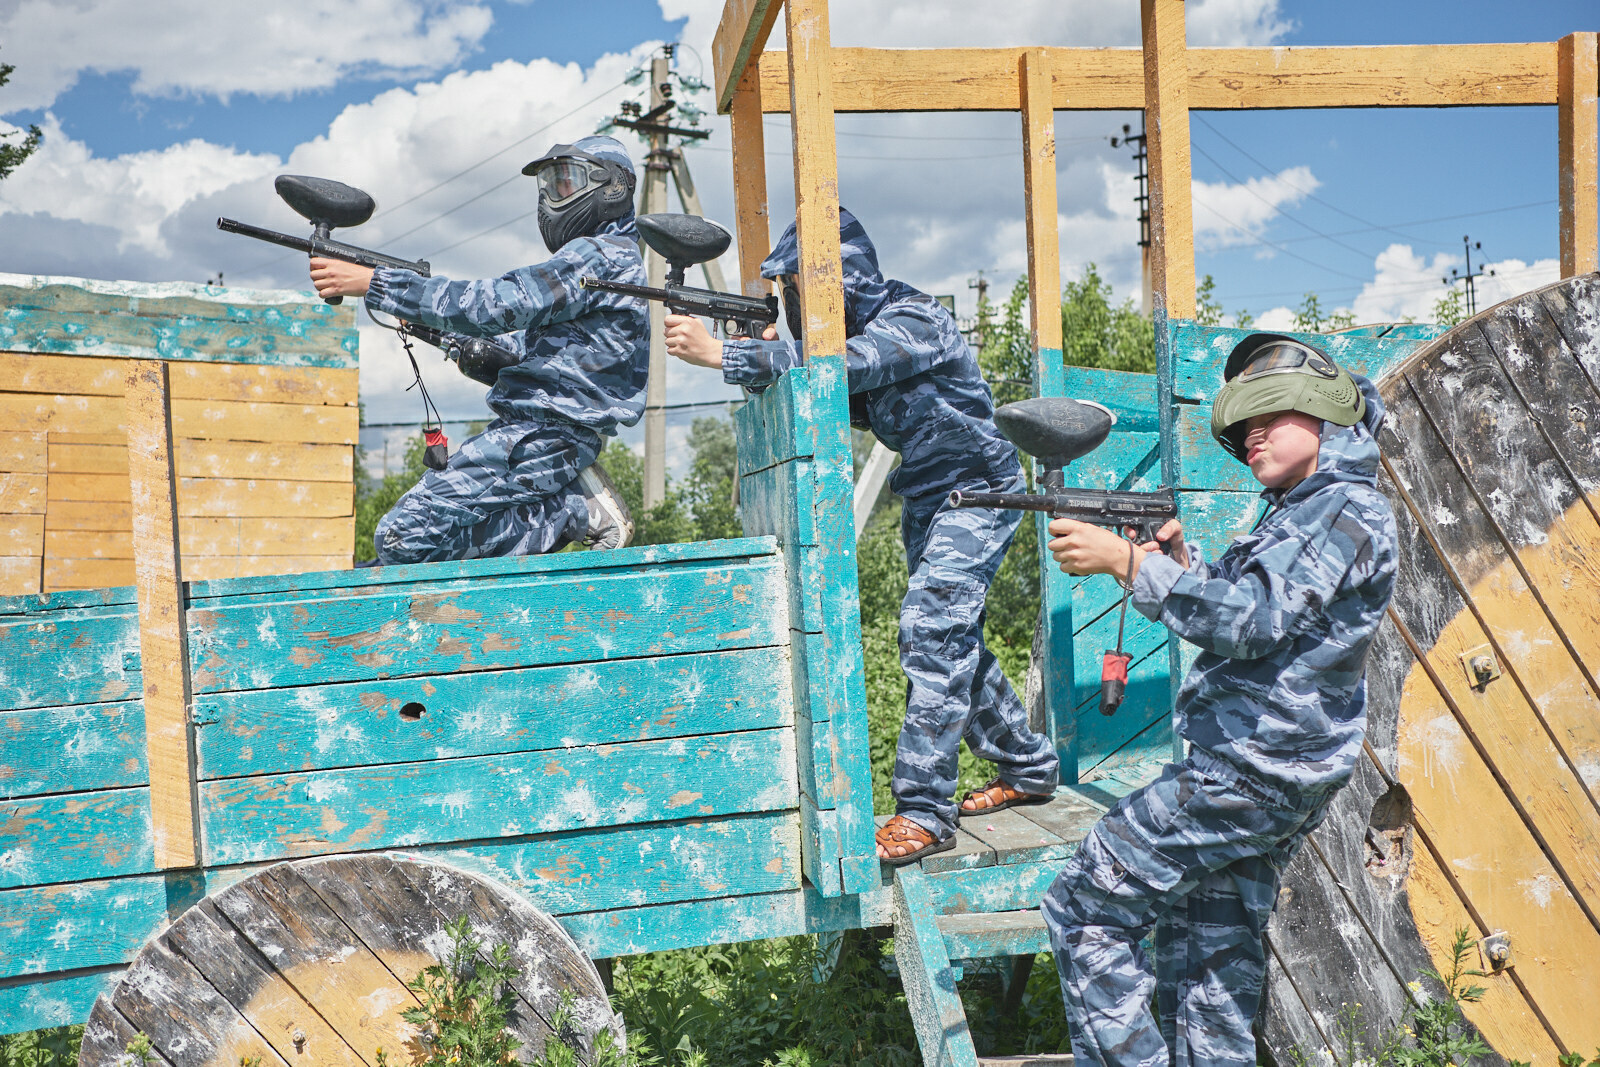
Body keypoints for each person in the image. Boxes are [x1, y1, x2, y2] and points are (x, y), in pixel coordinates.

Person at [1039, 334, 1399, 1067]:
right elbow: (1247, 598)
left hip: (1246, 771)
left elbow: (1247, 621)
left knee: (1082, 908)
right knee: (1211, 958)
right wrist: (1174, 563)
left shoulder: (1340, 508)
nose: (1252, 435)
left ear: (1327, 413)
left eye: (1273, 417)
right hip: (1273, 771)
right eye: (1243, 430)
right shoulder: (1305, 508)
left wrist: (1127, 561)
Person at [661, 208, 1059, 864]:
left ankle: (926, 810)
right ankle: (1026, 764)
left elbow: (840, 368)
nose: (791, 302)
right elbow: (823, 387)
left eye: (796, 287)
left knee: (932, 630)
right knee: (952, 637)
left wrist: (724, 352)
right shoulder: (856, 331)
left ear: (838, 282)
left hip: (981, 489)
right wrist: (759, 351)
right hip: (930, 496)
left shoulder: (912, 319)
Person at [308, 135, 645, 564]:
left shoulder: (600, 255)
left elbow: (499, 303)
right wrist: (437, 327)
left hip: (542, 434)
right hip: (540, 432)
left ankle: (573, 511)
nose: (553, 197)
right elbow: (518, 348)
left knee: (402, 536)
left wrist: (376, 284)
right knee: (410, 554)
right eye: (548, 187)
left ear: (611, 186)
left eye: (565, 183)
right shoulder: (605, 261)